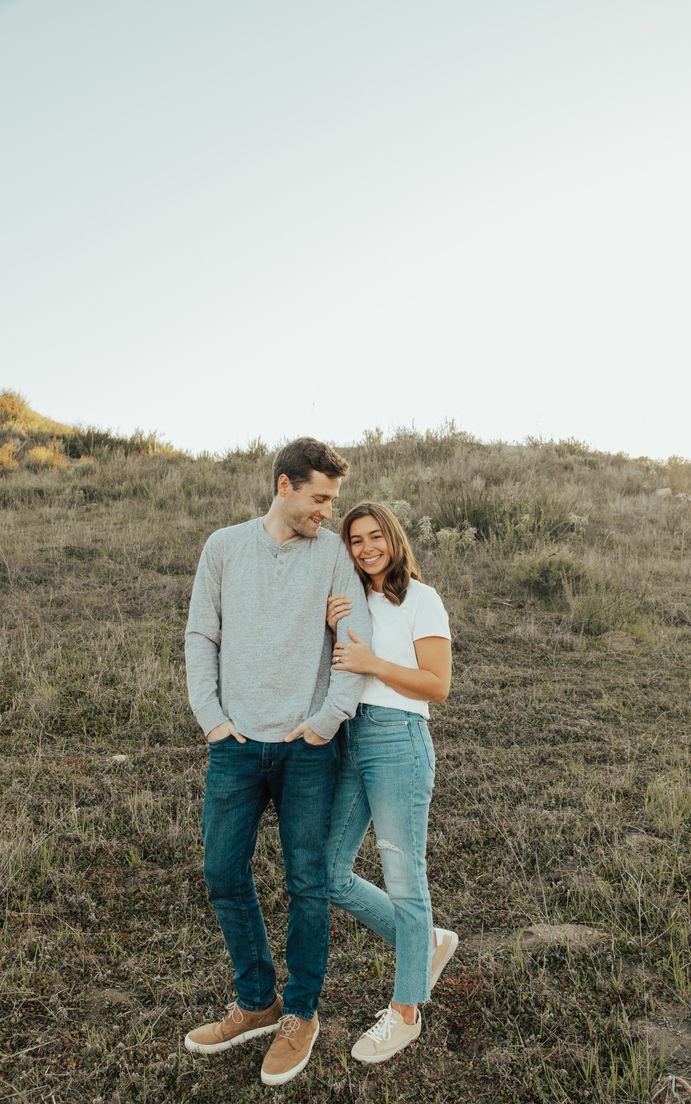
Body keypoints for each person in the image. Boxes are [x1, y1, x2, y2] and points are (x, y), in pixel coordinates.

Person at [183, 438, 371, 1088]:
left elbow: (356, 641)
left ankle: (299, 1013)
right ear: (285, 486)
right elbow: (201, 633)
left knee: (306, 884)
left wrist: (324, 723)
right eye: (320, 498)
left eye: (332, 500)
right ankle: (256, 999)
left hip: (307, 750)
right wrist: (212, 716)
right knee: (222, 871)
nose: (328, 511)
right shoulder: (224, 547)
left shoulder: (332, 558)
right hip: (235, 745)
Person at [325, 502, 458, 1064]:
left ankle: (405, 1012)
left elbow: (437, 684)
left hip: (399, 739)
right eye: (355, 540)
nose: (366, 547)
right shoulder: (353, 599)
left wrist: (372, 662)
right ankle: (424, 942)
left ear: (394, 539)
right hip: (352, 737)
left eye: (375, 536)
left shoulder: (421, 599)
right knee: (329, 871)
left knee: (405, 879)